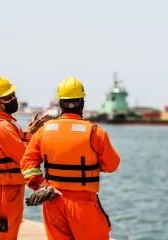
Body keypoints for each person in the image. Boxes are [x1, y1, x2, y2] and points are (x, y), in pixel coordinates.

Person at [20, 77, 120, 240]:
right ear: (81, 103)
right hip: (84, 205)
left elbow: (27, 164)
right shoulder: (95, 133)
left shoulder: (43, 132)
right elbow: (112, 165)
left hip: (53, 200)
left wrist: (41, 186)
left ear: (60, 104)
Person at [0, 76, 51, 240]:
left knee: (0, 234)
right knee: (4, 235)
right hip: (4, 193)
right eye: (7, 97)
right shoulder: (3, 127)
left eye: (13, 94)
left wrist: (28, 134)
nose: (13, 99)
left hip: (2, 189)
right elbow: (25, 156)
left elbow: (17, 147)